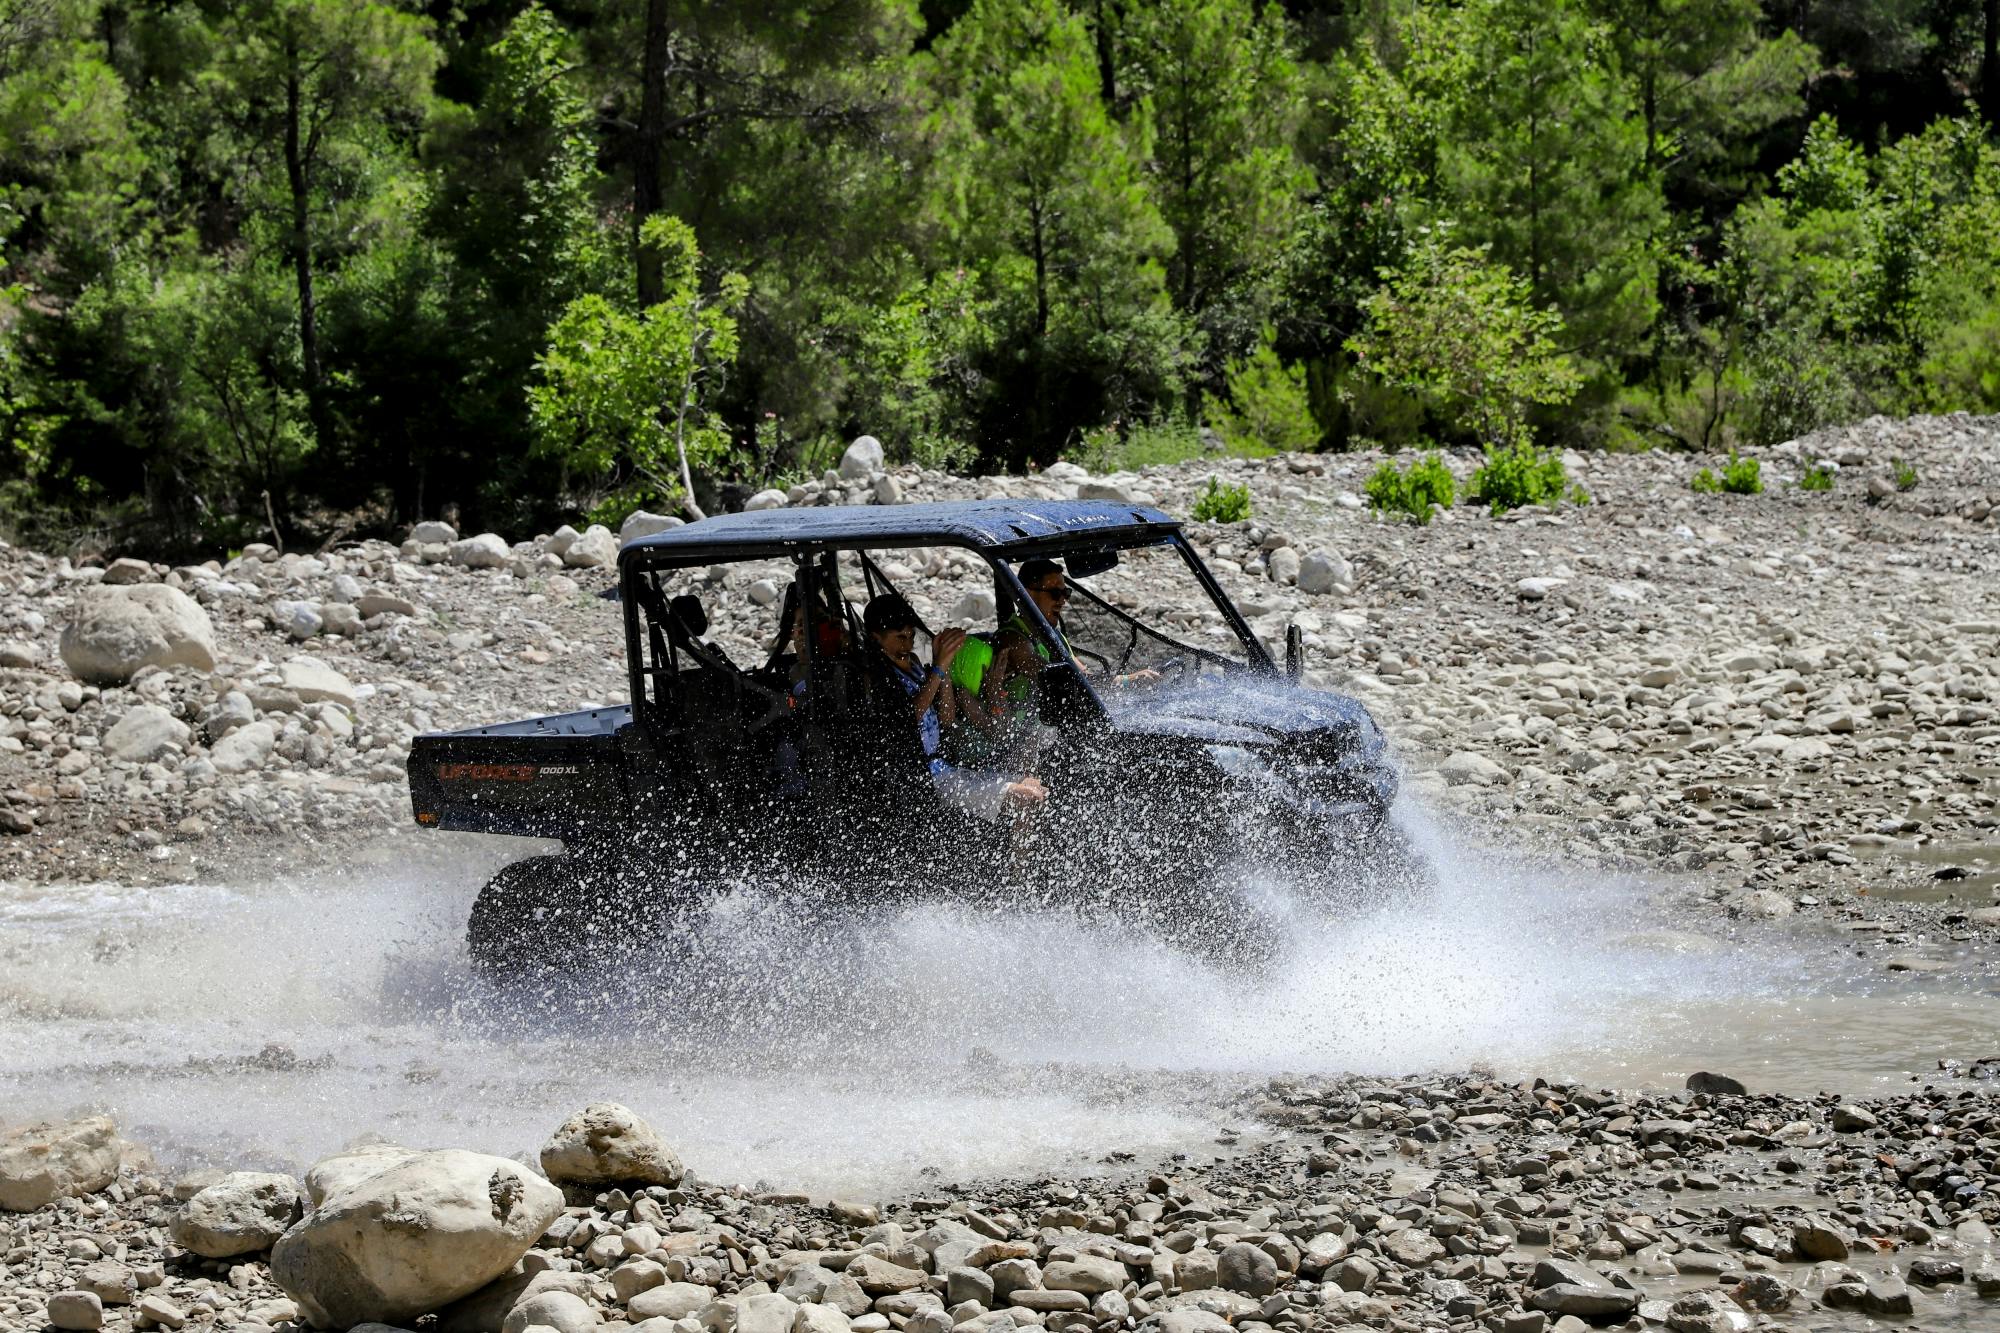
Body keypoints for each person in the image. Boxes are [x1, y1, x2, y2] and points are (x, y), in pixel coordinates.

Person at [864, 593, 1044, 819]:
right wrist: (939, 668)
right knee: (1024, 796)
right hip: (920, 776)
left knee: (1032, 785)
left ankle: (1021, 855)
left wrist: (944, 669)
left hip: (944, 767)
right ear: (876, 637)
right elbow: (909, 717)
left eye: (911, 636)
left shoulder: (914, 665)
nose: (908, 644)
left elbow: (946, 717)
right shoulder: (877, 677)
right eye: (900, 637)